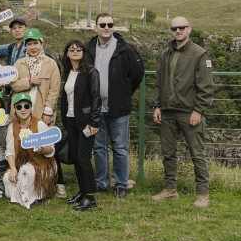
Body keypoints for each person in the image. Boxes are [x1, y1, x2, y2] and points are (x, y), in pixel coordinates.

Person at [152, 17, 215, 208]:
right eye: (174, 28)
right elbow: (158, 81)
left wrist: (198, 110)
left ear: (189, 29)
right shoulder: (165, 53)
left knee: (197, 153)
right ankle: (170, 190)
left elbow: (206, 86)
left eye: (181, 27)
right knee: (168, 153)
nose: (178, 30)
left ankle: (202, 194)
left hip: (189, 113)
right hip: (167, 112)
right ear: (171, 31)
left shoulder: (199, 53)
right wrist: (156, 105)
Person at [84, 13, 145, 197]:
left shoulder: (125, 49)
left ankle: (120, 184)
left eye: (110, 24)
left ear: (114, 27)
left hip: (118, 109)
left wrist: (123, 93)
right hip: (95, 110)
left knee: (119, 147)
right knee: (99, 147)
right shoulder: (88, 48)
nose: (106, 27)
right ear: (96, 27)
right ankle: (101, 182)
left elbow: (137, 74)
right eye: (102, 24)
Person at [11, 28, 63, 197]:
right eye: (29, 44)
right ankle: (24, 180)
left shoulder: (50, 63)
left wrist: (48, 112)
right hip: (22, 111)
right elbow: (14, 84)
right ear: (25, 46)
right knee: (22, 144)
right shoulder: (19, 64)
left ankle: (54, 181)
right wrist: (29, 81)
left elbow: (54, 89)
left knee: (45, 146)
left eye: (35, 43)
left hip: (41, 111)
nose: (32, 47)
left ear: (41, 43)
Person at [60, 40, 101, 211]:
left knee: (83, 158)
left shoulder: (91, 71)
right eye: (72, 49)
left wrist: (94, 122)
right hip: (71, 120)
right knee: (76, 158)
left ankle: (90, 198)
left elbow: (96, 97)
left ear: (83, 52)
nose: (75, 51)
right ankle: (82, 191)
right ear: (67, 53)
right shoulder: (68, 72)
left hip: (85, 122)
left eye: (78, 49)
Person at [4, 92, 57, 209]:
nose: (23, 109)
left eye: (26, 106)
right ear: (15, 110)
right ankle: (21, 194)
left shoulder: (40, 124)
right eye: (19, 107)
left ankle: (38, 195)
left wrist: (42, 149)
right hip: (20, 162)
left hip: (41, 163)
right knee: (7, 178)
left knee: (25, 171)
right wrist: (13, 169)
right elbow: (10, 151)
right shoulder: (12, 127)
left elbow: (51, 149)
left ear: (31, 108)